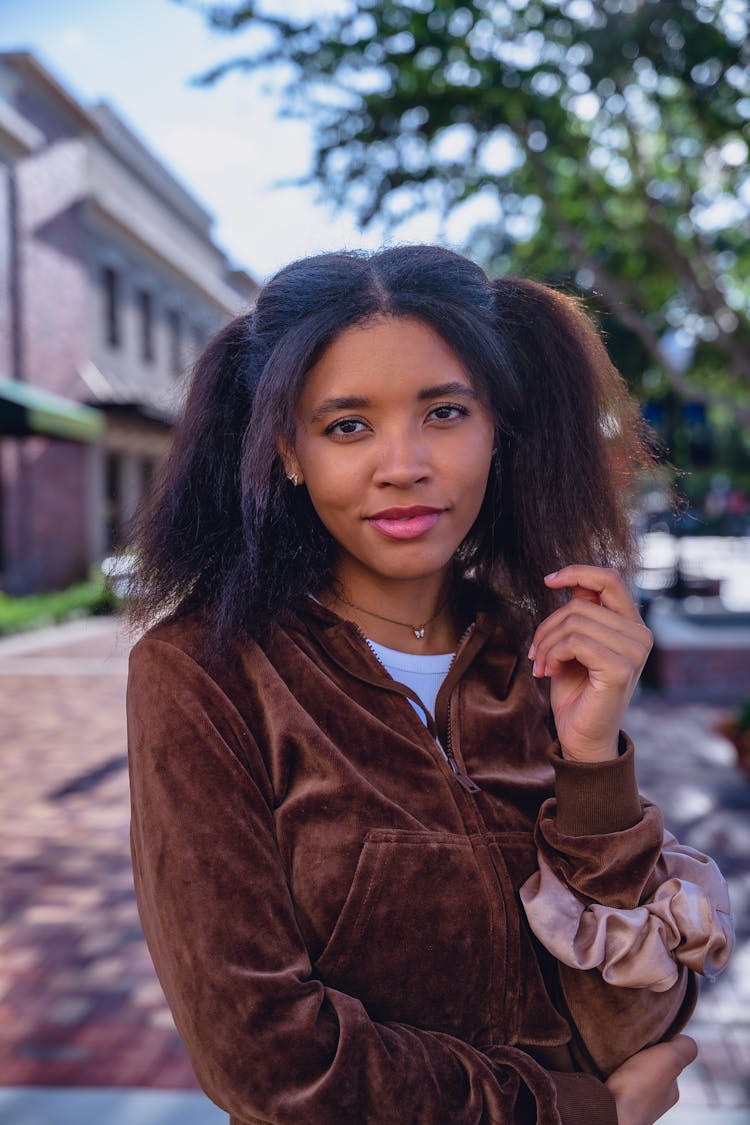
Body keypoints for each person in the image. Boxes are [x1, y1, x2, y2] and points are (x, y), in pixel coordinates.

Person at [126, 246, 733, 1125]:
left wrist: (593, 758)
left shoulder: (542, 656)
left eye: (444, 412)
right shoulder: (205, 674)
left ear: (499, 429)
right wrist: (569, 1114)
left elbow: (630, 1031)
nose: (402, 463)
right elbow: (267, 1059)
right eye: (347, 425)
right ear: (288, 452)